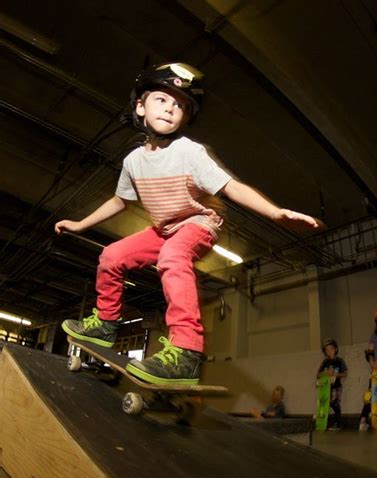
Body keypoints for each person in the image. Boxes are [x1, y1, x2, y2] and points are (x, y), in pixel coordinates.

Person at [55, 63, 325, 385]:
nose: (171, 109)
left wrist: (274, 212)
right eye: (162, 100)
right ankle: (105, 324)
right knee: (112, 256)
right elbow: (119, 201)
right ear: (140, 106)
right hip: (164, 228)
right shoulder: (132, 162)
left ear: (186, 117)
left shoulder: (190, 152)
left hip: (198, 223)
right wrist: (81, 223)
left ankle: (186, 350)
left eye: (180, 106)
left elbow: (231, 186)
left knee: (172, 257)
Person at [316, 338, 347, 430]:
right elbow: (318, 375)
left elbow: (345, 374)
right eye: (327, 350)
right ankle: (324, 421)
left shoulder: (339, 361)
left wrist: (335, 374)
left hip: (336, 387)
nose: (329, 351)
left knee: (334, 403)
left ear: (336, 349)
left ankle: (339, 423)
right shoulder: (325, 362)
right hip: (325, 388)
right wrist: (325, 373)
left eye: (331, 349)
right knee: (325, 404)